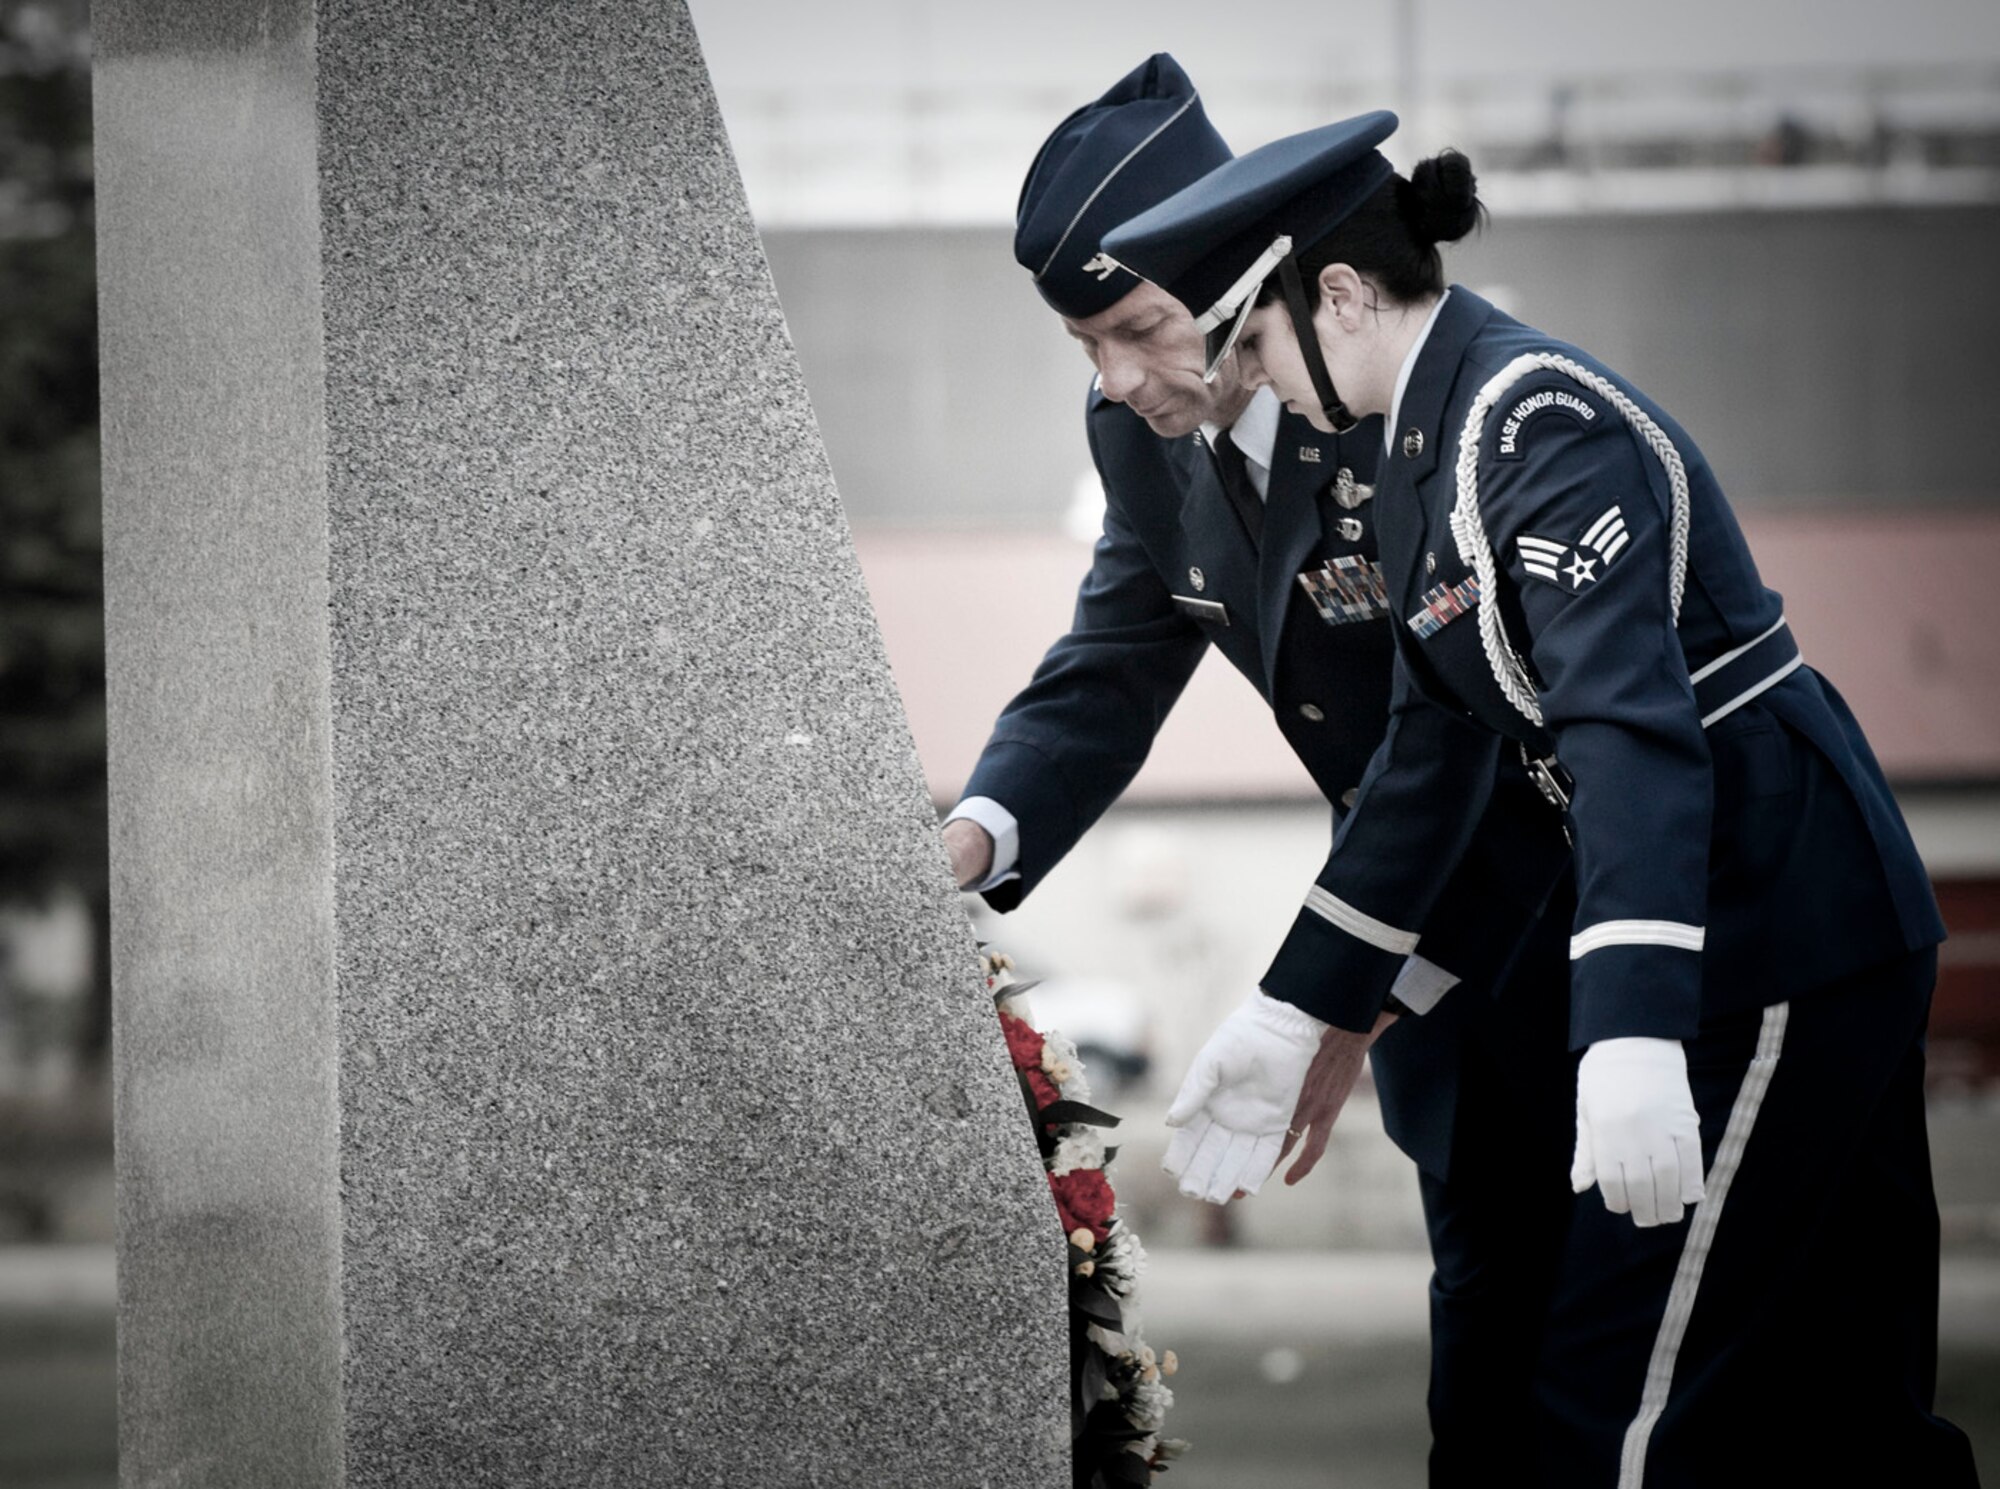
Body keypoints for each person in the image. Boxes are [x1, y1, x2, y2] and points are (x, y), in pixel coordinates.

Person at [1101, 112, 1978, 1484]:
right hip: (1764, 920)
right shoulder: (1415, 451)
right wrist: (1314, 1003)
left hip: (1778, 922)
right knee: (1846, 1403)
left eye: (1258, 340)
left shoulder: (1534, 417)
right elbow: (1449, 744)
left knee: (1623, 1407)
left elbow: (1628, 733)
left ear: (1338, 295)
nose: (1257, 376)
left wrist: (1630, 1027)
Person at [950, 56, 1576, 1480]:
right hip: (1419, 983)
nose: (1115, 378)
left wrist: (1325, 992)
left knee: (1666, 1384)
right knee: (1487, 1398)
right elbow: (1114, 657)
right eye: (1083, 347)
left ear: (1240, 271)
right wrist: (972, 839)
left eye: (1138, 327)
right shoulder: (1140, 431)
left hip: (1566, 930)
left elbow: (1461, 721)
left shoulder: (1386, 398)